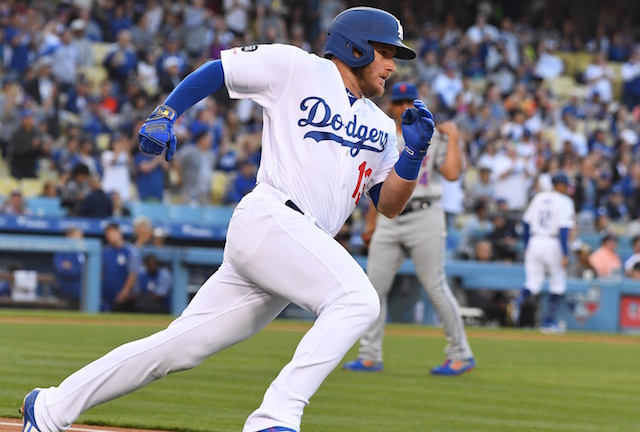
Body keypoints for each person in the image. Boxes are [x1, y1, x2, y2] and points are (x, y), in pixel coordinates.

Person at [20, 7, 433, 432]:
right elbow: (221, 69)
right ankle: (275, 418)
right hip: (272, 217)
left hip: (296, 245)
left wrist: (413, 157)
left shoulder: (382, 125)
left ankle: (50, 407)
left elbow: (388, 203)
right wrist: (166, 113)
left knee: (179, 348)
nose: (391, 66)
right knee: (358, 300)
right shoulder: (298, 67)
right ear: (356, 47)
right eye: (385, 52)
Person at [342, 81, 474, 376]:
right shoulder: (382, 133)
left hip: (424, 215)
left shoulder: (433, 134)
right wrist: (371, 224)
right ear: (391, 106)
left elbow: (452, 173)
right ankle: (369, 355)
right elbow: (375, 185)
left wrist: (453, 139)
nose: (403, 108)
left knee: (435, 286)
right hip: (389, 219)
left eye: (408, 102)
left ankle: (460, 354)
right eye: (398, 103)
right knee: (373, 288)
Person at [511, 173, 576, 333]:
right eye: (565, 185)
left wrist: (527, 244)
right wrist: (565, 253)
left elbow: (526, 224)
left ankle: (518, 301)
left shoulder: (539, 197)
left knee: (533, 282)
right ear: (559, 184)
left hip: (535, 240)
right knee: (558, 284)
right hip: (553, 242)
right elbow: (563, 229)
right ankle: (548, 322)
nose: (566, 188)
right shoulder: (565, 201)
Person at [100, 223, 141, 313]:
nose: (110, 236)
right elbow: (101, 273)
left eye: (113, 233)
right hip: (107, 294)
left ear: (120, 233)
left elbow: (133, 274)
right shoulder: (105, 251)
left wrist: (125, 292)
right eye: (108, 234)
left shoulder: (130, 251)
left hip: (127, 298)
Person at [52, 228, 86, 310]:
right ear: (69, 237)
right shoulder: (62, 252)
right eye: (78, 236)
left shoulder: (84, 252)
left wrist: (73, 267)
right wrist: (81, 270)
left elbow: (90, 271)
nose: (81, 239)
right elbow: (63, 271)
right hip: (66, 293)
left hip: (83, 293)